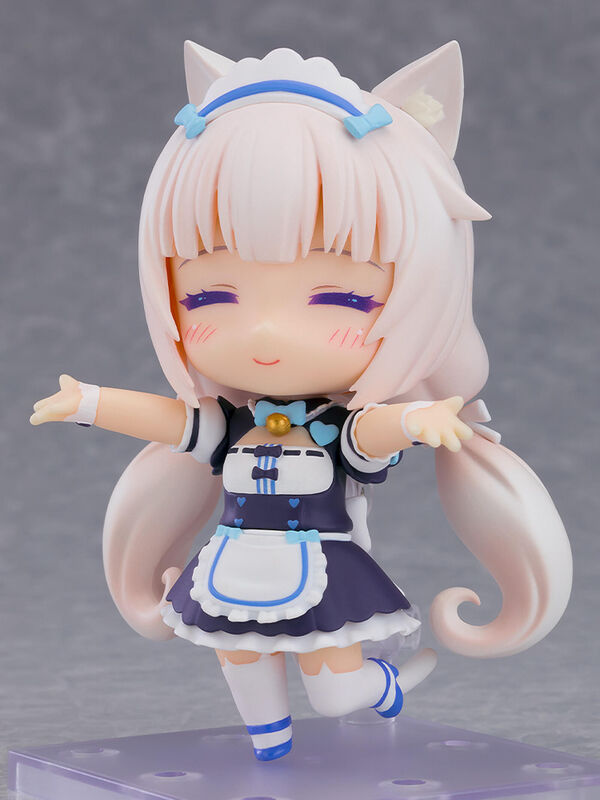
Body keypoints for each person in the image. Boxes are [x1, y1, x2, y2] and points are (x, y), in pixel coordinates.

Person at [30, 41, 571, 762]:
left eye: (338, 297)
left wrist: (419, 418)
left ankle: (381, 687)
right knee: (240, 661)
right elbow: (172, 423)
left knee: (334, 693)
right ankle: (270, 748)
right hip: (233, 568)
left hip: (320, 571)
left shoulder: (330, 429)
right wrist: (91, 402)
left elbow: (370, 435)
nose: (264, 333)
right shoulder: (233, 426)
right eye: (209, 296)